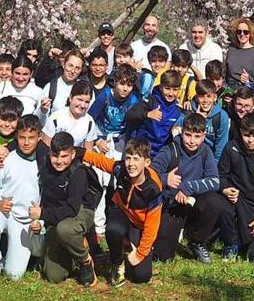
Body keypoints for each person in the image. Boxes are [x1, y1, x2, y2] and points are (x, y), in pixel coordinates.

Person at [82, 137, 164, 286]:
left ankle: (131, 244)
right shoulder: (121, 169)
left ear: (147, 163)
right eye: (128, 158)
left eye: (136, 159)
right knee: (113, 229)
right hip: (120, 212)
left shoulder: (153, 189)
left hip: (140, 225)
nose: (131, 164)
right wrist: (80, 153)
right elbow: (101, 162)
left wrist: (139, 255)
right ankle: (117, 263)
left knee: (141, 276)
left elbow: (151, 228)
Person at [0, 115, 46, 289]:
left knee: (14, 275)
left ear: (39, 137)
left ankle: (15, 258)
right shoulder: (6, 159)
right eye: (22, 137)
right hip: (5, 211)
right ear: (16, 136)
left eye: (31, 138)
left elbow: (49, 196)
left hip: (26, 220)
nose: (26, 142)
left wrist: (40, 219)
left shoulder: (45, 162)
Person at [151, 112, 227, 263]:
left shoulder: (206, 151)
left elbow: (214, 181)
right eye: (188, 135)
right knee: (163, 257)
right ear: (182, 132)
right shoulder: (170, 150)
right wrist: (166, 179)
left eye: (197, 137)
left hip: (194, 202)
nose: (192, 141)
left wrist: (187, 187)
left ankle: (197, 241)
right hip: (172, 205)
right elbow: (148, 176)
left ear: (204, 136)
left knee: (215, 201)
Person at [36, 132, 103, 285]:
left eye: (64, 156)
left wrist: (42, 214)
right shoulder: (45, 164)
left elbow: (71, 209)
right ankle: (71, 249)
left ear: (73, 154)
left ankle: (85, 261)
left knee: (64, 229)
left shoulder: (78, 173)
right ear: (49, 153)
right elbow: (28, 138)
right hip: (57, 214)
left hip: (80, 210)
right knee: (54, 276)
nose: (59, 161)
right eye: (55, 156)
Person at [217, 111, 254, 261]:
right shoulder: (231, 147)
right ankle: (231, 244)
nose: (250, 140)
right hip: (236, 196)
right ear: (241, 132)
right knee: (221, 205)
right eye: (247, 135)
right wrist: (225, 189)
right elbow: (221, 174)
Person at [129, 69, 186, 154]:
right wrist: (147, 114)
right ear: (160, 87)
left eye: (175, 90)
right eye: (167, 89)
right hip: (143, 149)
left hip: (161, 152)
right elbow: (130, 114)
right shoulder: (151, 101)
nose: (171, 93)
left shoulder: (178, 109)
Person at [44, 79, 99, 150]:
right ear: (70, 98)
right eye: (80, 100)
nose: (82, 105)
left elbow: (88, 152)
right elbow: (45, 147)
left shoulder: (89, 122)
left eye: (87, 102)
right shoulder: (56, 117)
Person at [39, 49, 87, 119]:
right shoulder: (50, 87)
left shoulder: (84, 89)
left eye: (77, 68)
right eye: (70, 65)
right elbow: (39, 119)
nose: (73, 71)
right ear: (63, 64)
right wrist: (43, 111)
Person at [191, 79, 230, 162]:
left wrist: (214, 168)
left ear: (215, 97)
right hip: (190, 156)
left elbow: (221, 146)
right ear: (197, 97)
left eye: (209, 96)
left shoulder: (221, 116)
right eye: (201, 96)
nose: (205, 100)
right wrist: (196, 119)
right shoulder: (189, 110)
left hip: (210, 158)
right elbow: (176, 131)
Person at [225, 17, 254, 87]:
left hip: (247, 90)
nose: (242, 34)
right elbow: (225, 74)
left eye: (246, 32)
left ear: (250, 34)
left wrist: (248, 79)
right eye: (239, 31)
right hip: (230, 90)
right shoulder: (231, 51)